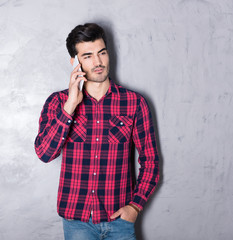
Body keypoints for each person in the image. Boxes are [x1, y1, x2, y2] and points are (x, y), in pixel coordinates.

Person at [34, 23, 160, 240]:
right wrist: (71, 105)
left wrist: (135, 206)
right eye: (88, 55)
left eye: (102, 53)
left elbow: (150, 162)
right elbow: (45, 154)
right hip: (76, 222)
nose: (98, 62)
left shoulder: (134, 103)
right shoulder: (58, 102)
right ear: (75, 62)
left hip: (120, 220)